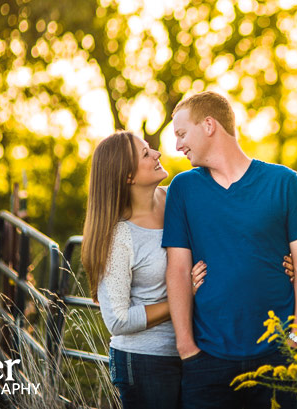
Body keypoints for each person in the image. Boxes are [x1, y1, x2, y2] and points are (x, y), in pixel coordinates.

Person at [163, 91, 297, 409]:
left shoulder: (285, 182)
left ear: (209, 125)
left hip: (279, 355)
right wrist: (186, 348)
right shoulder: (183, 189)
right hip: (207, 359)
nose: (178, 146)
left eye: (181, 134)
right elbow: (178, 268)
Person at [82, 131, 208, 409]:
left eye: (151, 149)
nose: (158, 154)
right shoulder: (119, 237)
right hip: (144, 362)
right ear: (128, 176)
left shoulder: (175, 200)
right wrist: (183, 296)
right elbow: (118, 320)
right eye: (146, 153)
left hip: (195, 349)